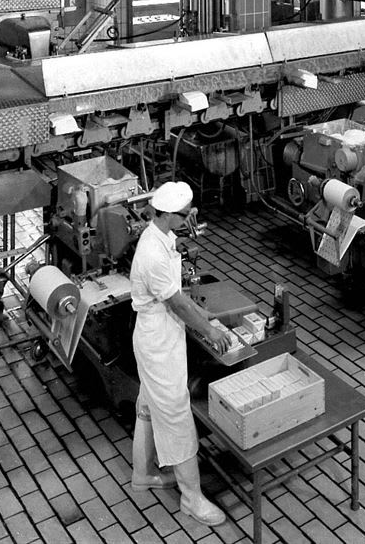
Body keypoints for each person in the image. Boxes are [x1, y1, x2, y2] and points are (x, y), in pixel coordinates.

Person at [129, 181, 231, 526]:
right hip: (158, 341)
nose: (190, 220)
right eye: (185, 215)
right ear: (168, 214)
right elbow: (177, 304)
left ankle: (143, 475)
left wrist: (201, 313)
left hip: (157, 332)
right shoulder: (153, 254)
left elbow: (179, 297)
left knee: (148, 404)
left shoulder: (159, 235)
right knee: (176, 416)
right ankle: (192, 499)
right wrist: (210, 330)